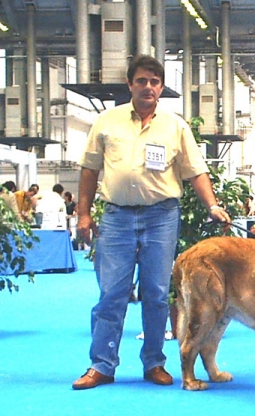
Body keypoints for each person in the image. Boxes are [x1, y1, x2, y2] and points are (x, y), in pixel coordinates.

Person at [72, 54, 230, 390]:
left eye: (154, 82)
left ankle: (154, 363)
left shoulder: (175, 125)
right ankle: (101, 364)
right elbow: (89, 170)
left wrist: (213, 206)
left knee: (157, 294)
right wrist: (84, 214)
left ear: (161, 87)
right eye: (142, 81)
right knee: (112, 293)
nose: (148, 87)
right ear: (130, 84)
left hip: (162, 217)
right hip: (116, 217)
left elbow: (196, 171)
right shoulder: (106, 121)